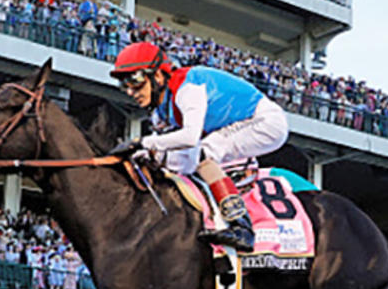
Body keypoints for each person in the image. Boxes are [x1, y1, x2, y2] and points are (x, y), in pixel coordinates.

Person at [109, 41, 290, 252]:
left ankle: (242, 227)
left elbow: (190, 137)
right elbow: (171, 154)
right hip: (236, 125)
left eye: (135, 81)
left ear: (157, 76)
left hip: (265, 122)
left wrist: (141, 142)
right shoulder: (160, 110)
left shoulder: (187, 88)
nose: (130, 91)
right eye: (125, 85)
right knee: (181, 162)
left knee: (204, 154)